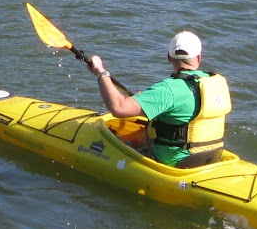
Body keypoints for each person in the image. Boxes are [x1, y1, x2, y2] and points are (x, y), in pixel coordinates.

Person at [87, 31, 231, 167]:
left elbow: (119, 107)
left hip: (175, 163)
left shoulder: (168, 90)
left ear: (169, 57)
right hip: (211, 157)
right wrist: (145, 101)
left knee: (115, 140)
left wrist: (101, 72)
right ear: (199, 57)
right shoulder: (215, 82)